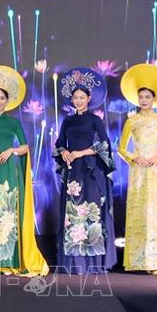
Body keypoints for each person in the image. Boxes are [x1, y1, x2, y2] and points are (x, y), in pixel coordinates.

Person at [0, 65, 48, 276]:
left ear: (7, 100)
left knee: (9, 211)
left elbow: (25, 147)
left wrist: (12, 150)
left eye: (2, 98)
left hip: (10, 169)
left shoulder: (14, 123)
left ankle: (9, 261)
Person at [53, 67, 116, 274]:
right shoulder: (68, 120)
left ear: (89, 98)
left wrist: (79, 153)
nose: (78, 101)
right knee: (72, 214)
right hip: (73, 171)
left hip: (90, 170)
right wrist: (64, 152)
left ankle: (92, 263)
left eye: (82, 97)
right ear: (72, 100)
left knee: (90, 212)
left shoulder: (95, 120)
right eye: (75, 98)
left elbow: (104, 144)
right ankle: (74, 263)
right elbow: (59, 143)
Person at [118, 63, 157, 275]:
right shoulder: (131, 122)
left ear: (154, 99)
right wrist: (135, 158)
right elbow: (121, 148)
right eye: (140, 97)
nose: (143, 100)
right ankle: (136, 261)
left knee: (156, 214)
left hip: (156, 171)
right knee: (138, 213)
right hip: (138, 172)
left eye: (147, 97)